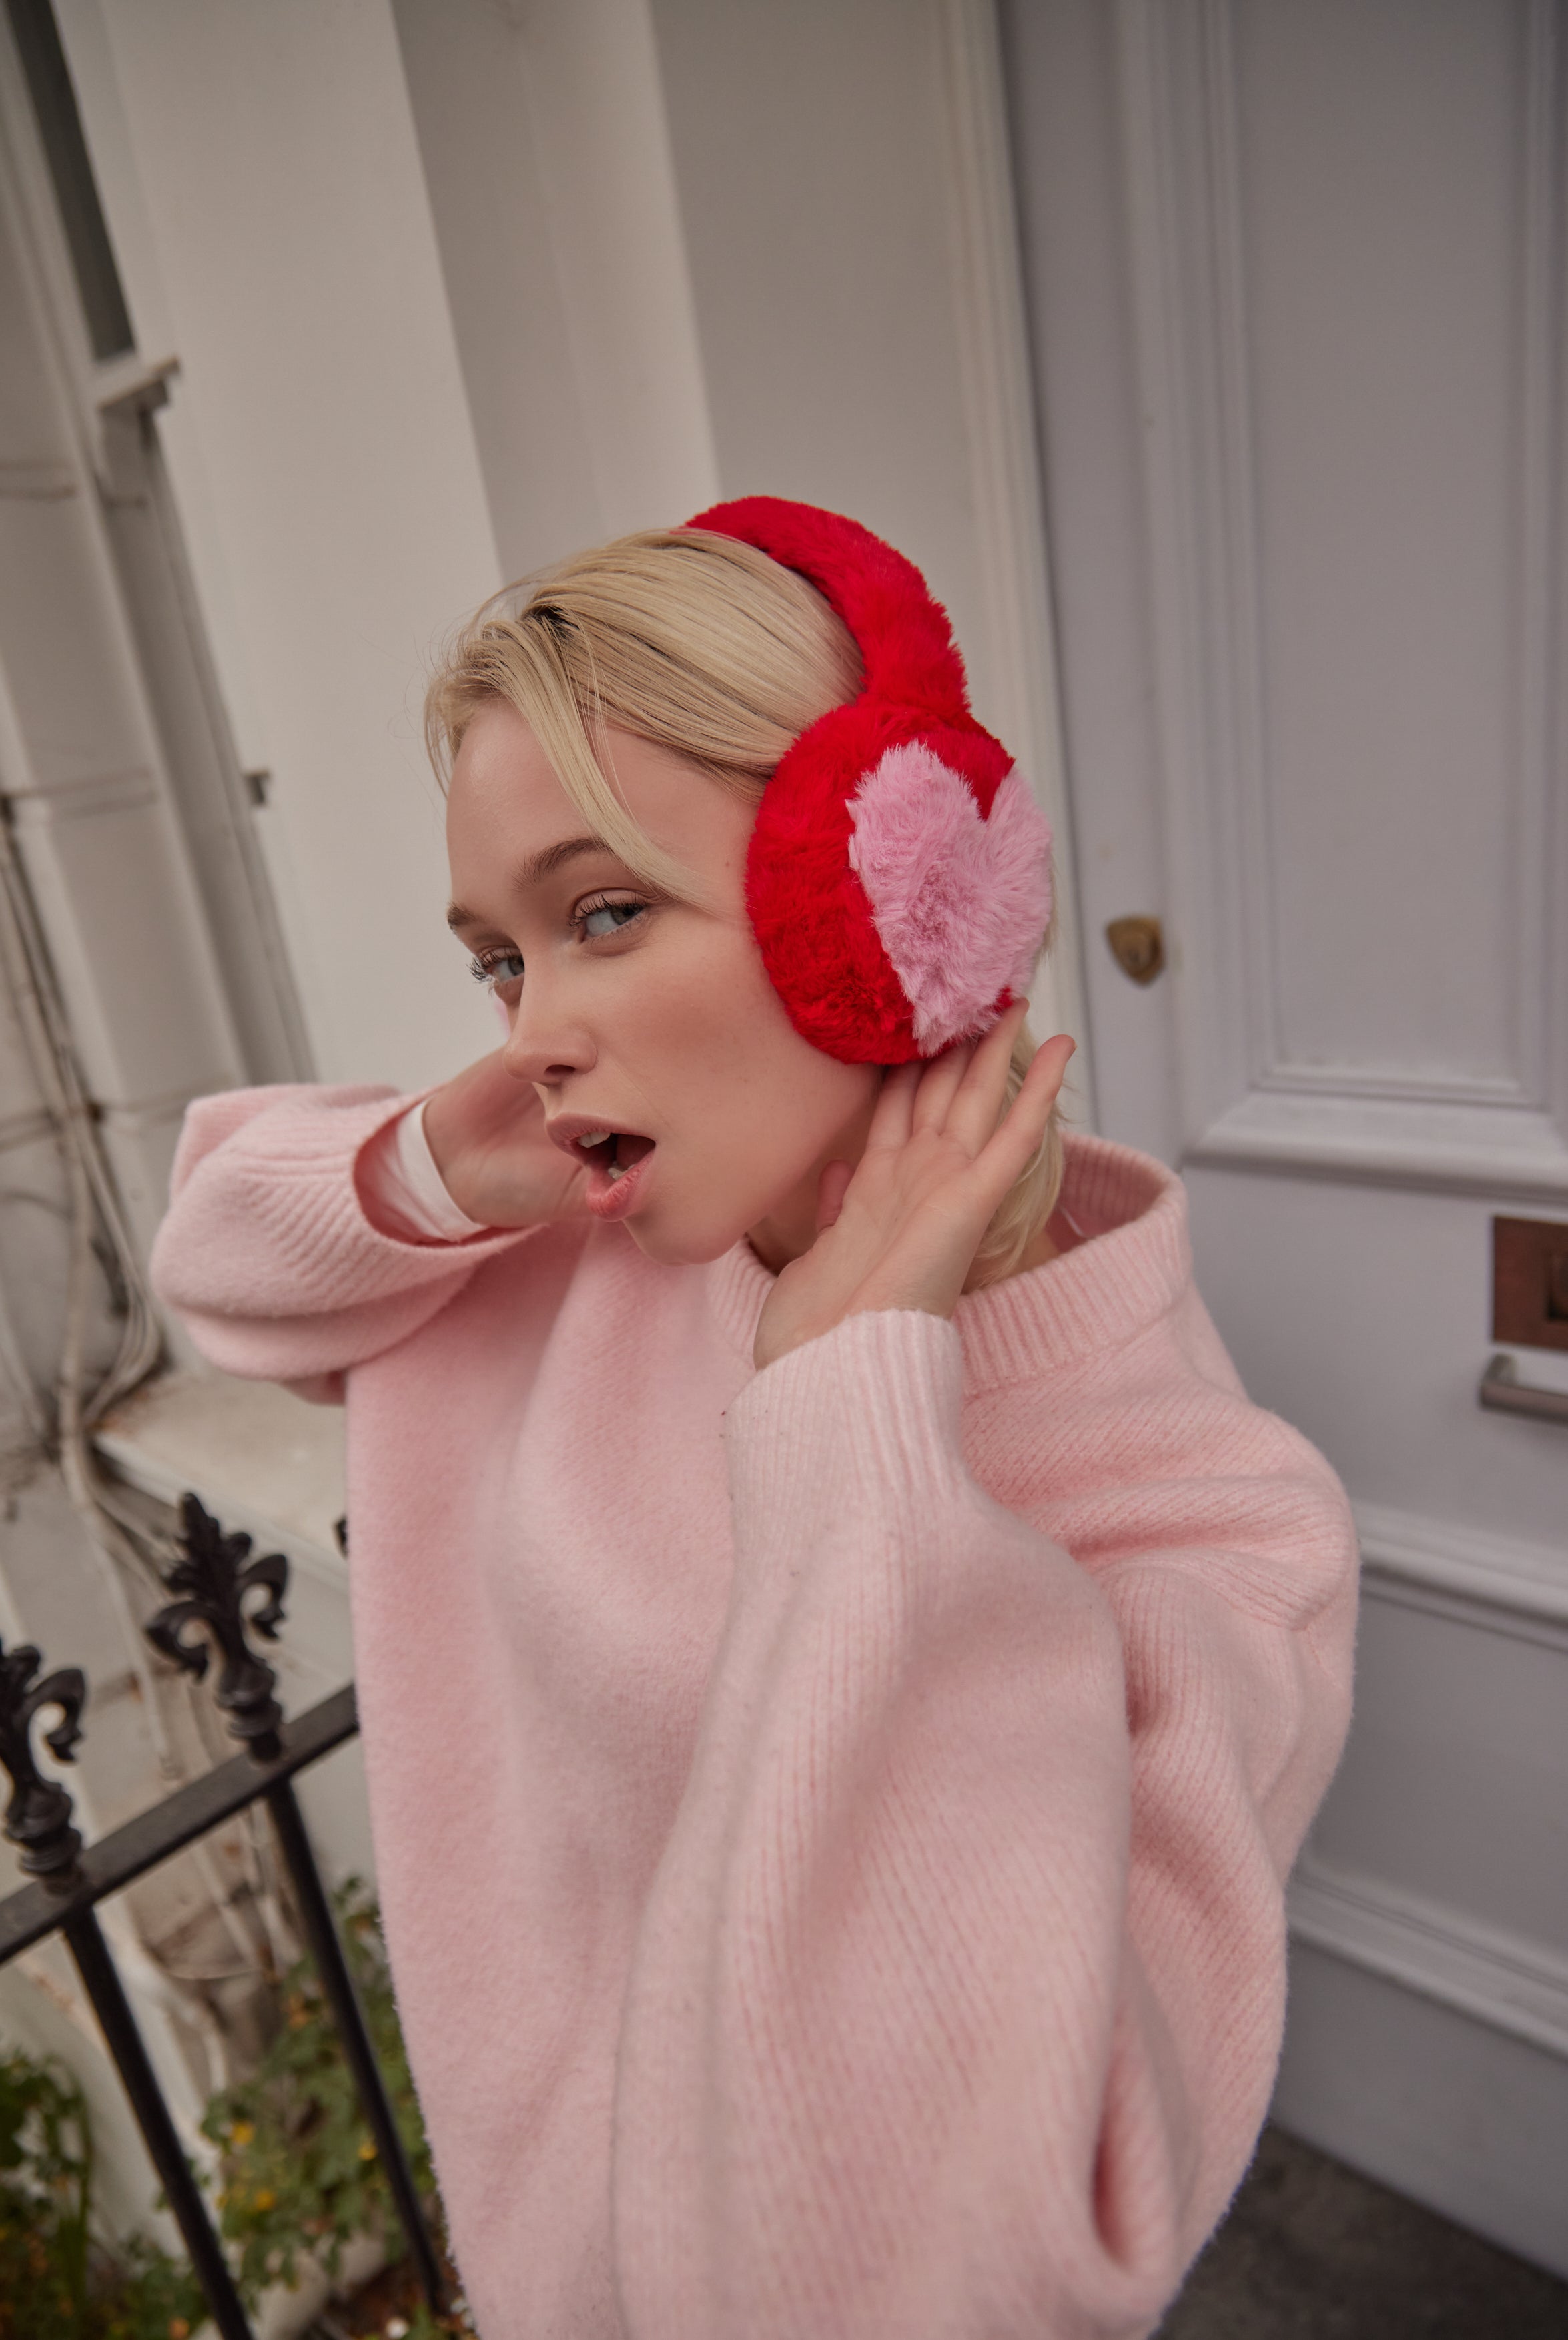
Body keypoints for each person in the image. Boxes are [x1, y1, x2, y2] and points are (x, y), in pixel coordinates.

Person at [151, 498, 1357, 2340]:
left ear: (889, 913)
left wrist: (848, 1410)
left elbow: (923, 2271)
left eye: (605, 913)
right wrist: (451, 1153)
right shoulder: (578, 1234)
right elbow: (219, 1265)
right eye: (500, 953)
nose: (537, 1018)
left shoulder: (1211, 1522)